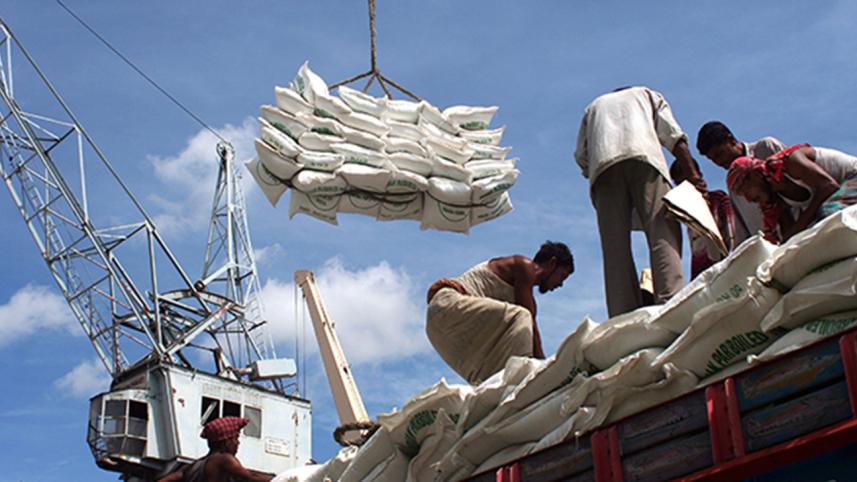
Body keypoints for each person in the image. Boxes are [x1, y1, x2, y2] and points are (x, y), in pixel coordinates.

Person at [575, 86, 703, 317]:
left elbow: (581, 156)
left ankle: (622, 314)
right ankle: (671, 301)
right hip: (645, 160)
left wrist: (595, 170)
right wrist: (693, 174)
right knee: (661, 231)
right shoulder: (646, 94)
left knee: (614, 247)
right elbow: (674, 136)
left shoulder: (593, 106)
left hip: (603, 169)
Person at [426, 241, 574, 384]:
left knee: (491, 373)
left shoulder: (514, 301)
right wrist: (547, 372)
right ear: (552, 263)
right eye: (562, 276)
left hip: (441, 331)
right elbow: (532, 329)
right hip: (447, 305)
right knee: (522, 317)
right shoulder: (524, 266)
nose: (560, 284)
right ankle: (521, 384)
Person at [726, 144, 857, 242]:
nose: (748, 199)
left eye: (745, 191)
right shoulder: (776, 200)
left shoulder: (790, 162)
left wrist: (802, 225)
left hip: (852, 176)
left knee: (828, 216)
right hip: (834, 197)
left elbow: (829, 186)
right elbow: (790, 235)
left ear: (754, 175)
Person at [696, 121, 786, 241]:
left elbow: (795, 187)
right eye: (712, 159)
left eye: (719, 154)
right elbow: (742, 233)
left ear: (731, 140)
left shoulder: (765, 148)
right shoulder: (733, 185)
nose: (718, 162)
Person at [670, 160, 739, 278]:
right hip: (701, 276)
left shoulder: (718, 199)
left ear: (698, 175)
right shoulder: (688, 212)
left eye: (687, 181)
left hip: (723, 269)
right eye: (679, 183)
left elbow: (732, 236)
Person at [157, 417, 273, 482]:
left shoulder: (193, 466)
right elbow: (249, 477)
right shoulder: (224, 459)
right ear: (226, 441)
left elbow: (166, 480)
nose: (238, 443)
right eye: (236, 438)